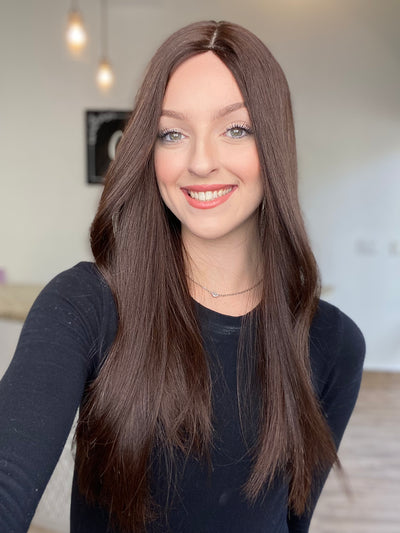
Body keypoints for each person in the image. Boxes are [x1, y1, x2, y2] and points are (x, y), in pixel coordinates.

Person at [0, 20, 365, 533]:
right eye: (172, 133)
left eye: (235, 129)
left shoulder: (334, 343)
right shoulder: (84, 304)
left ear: (275, 143)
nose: (200, 162)